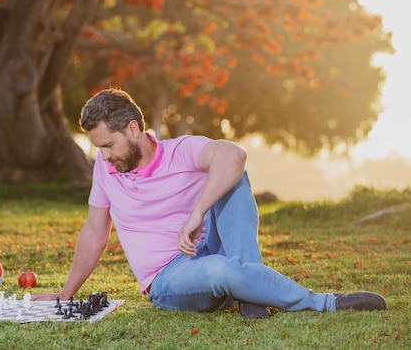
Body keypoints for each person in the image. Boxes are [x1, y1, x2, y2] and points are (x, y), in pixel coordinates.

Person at [33, 88, 386, 319]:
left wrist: (198, 212)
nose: (104, 156)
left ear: (133, 129)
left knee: (233, 176)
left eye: (108, 145)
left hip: (210, 247)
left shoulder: (180, 151)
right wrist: (65, 295)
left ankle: (251, 297)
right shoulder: (105, 168)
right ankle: (324, 302)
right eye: (98, 148)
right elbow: (95, 232)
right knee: (221, 269)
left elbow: (234, 154)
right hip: (170, 278)